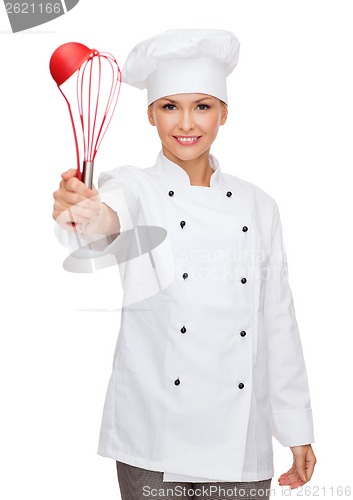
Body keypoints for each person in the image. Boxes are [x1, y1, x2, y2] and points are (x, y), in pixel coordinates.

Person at [52, 29, 317, 499]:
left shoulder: (260, 206)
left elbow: (278, 320)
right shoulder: (134, 186)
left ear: (224, 113)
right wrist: (82, 213)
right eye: (170, 106)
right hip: (153, 434)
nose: (186, 122)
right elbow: (104, 222)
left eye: (203, 105)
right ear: (151, 113)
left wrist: (295, 427)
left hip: (240, 440)